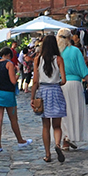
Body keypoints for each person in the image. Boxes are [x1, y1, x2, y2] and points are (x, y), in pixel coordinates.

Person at [0, 47, 32, 153]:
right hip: (8, 94)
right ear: (8, 55)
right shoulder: (9, 64)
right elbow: (12, 81)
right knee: (13, 119)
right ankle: (20, 140)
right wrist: (17, 75)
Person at [31, 34, 67, 163]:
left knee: (45, 125)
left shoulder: (38, 59)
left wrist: (32, 97)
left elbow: (35, 81)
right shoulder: (58, 59)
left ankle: (47, 154)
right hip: (55, 91)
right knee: (57, 125)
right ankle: (57, 145)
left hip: (43, 92)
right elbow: (64, 80)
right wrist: (56, 83)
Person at [57, 28, 88, 150]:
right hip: (74, 84)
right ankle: (69, 137)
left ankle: (64, 137)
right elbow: (83, 69)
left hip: (60, 84)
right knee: (74, 110)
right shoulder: (75, 51)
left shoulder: (57, 53)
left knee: (63, 112)